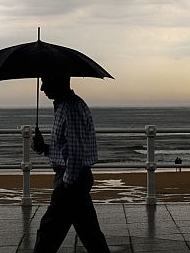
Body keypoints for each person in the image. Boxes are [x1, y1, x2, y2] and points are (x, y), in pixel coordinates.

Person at [31, 76, 110, 253]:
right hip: (74, 179)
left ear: (60, 81)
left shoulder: (71, 109)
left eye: (46, 81)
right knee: (90, 234)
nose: (42, 87)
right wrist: (44, 148)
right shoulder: (65, 107)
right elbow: (66, 147)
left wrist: (67, 183)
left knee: (48, 232)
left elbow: (76, 151)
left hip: (72, 179)